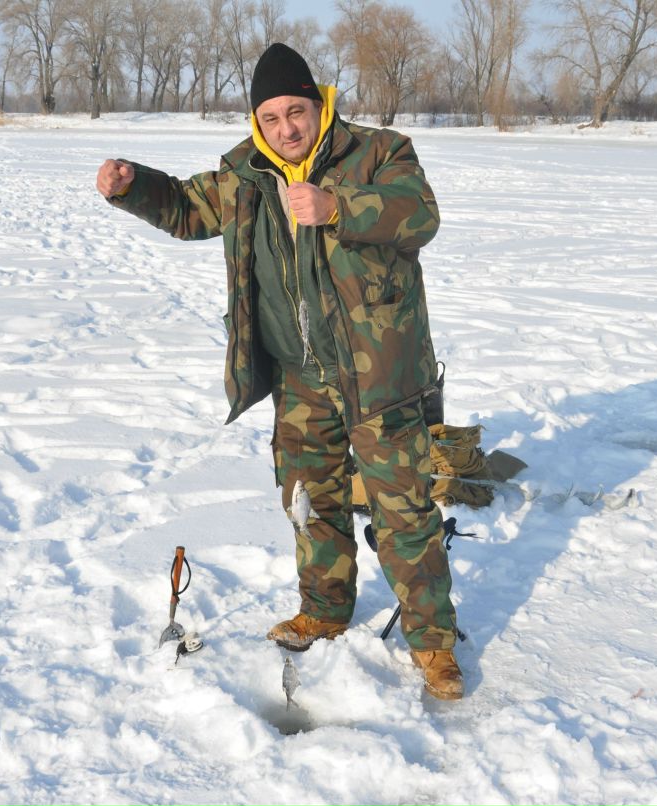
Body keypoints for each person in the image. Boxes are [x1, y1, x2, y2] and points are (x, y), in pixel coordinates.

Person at [95, 43, 462, 700]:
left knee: (404, 511)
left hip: (378, 376)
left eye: (297, 111)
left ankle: (433, 645)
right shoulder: (246, 177)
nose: (286, 128)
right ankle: (323, 610)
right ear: (256, 121)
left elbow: (418, 214)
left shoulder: (378, 153)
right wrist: (133, 187)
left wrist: (338, 208)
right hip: (298, 381)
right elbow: (185, 207)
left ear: (318, 105)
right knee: (310, 506)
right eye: (271, 117)